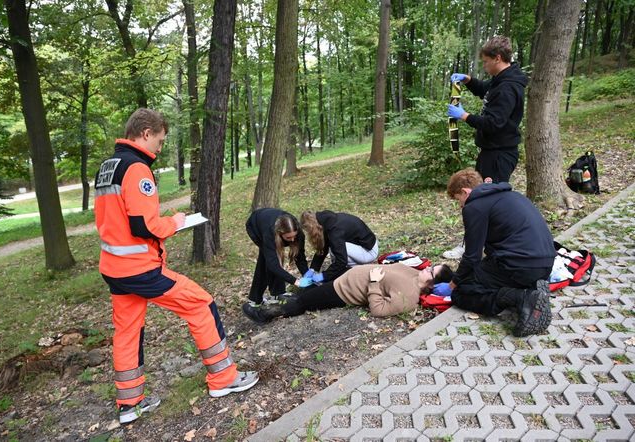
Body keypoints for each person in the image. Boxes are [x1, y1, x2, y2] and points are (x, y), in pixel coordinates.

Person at [94, 109, 258, 424]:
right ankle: (223, 379)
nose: (160, 147)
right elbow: (144, 225)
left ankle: (130, 404)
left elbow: (113, 219)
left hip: (114, 268)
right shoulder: (137, 169)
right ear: (145, 133)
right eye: (159, 139)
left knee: (127, 331)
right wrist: (177, 221)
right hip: (139, 268)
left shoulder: (107, 168)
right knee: (201, 304)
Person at [436, 169, 556, 337]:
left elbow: (472, 256)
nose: (460, 205)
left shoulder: (474, 206)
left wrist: (452, 285)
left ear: (465, 191)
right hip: (546, 264)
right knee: (483, 273)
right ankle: (531, 286)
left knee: (462, 291)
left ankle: (522, 297)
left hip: (519, 265)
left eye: (458, 200)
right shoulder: (512, 196)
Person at [444, 35, 528, 260]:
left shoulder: (508, 87)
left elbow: (494, 124)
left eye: (485, 62)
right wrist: (469, 80)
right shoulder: (501, 80)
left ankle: (486, 248)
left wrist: (464, 116)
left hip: (500, 155)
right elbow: (485, 90)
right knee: (479, 200)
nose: (484, 66)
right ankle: (477, 244)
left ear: (497, 58)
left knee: (487, 203)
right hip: (491, 152)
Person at [242, 263, 454, 323]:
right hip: (345, 280)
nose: (427, 269)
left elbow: (379, 310)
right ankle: (274, 307)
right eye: (431, 267)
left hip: (344, 292)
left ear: (432, 284)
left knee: (304, 301)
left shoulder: (409, 297)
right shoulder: (412, 272)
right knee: (306, 294)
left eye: (431, 272)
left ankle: (267, 315)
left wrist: (373, 284)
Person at [245, 208, 309, 306]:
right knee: (266, 260)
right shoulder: (270, 233)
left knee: (274, 259)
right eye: (288, 237)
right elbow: (273, 265)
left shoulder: (299, 233)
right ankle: (255, 299)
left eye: (294, 236)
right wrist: (295, 281)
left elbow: (300, 257)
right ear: (280, 233)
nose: (292, 240)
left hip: (270, 221)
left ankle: (277, 294)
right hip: (255, 224)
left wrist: (307, 276)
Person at [299, 210, 379, 285]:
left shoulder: (335, 231)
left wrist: (324, 276)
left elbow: (341, 261)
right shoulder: (325, 222)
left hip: (369, 251)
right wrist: (313, 269)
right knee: (335, 248)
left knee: (335, 250)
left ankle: (353, 270)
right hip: (361, 246)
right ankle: (345, 269)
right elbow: (323, 247)